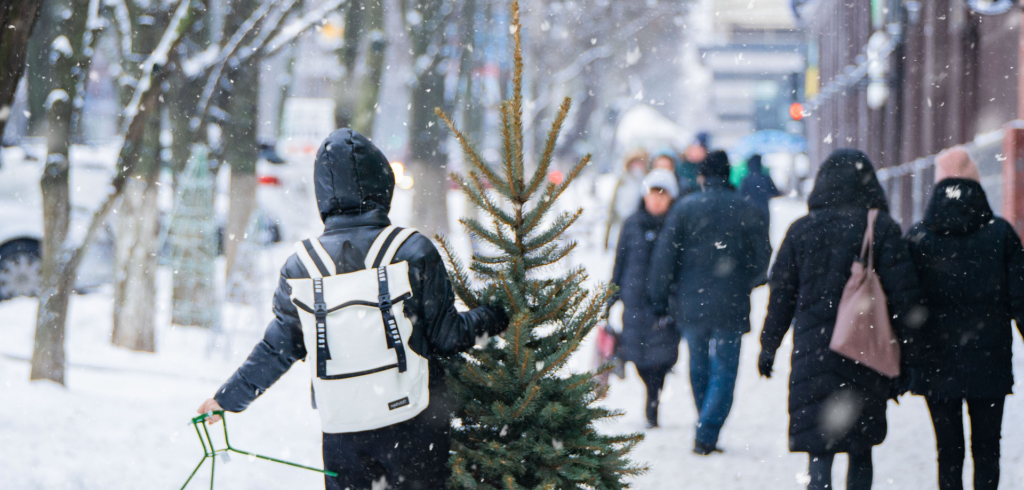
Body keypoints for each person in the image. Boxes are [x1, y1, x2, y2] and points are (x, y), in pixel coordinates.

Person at [196, 128, 509, 490]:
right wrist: (500, 313)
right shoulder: (411, 250)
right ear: (382, 185)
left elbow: (277, 349)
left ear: (323, 194)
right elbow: (449, 336)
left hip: (343, 430)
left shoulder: (302, 267)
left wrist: (226, 400)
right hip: (414, 423)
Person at [758, 148, 921, 490]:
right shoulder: (882, 229)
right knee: (861, 449)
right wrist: (910, 357)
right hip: (866, 352)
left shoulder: (800, 231)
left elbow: (781, 296)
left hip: (813, 357)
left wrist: (768, 345)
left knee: (819, 450)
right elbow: (905, 299)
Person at [906, 147, 1024, 490]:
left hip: (937, 361)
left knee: (948, 450)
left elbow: (904, 298)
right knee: (988, 449)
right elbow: (1021, 298)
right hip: (990, 360)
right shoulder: (1001, 234)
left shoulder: (919, 237)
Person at [648, 150, 771, 455]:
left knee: (699, 365)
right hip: (731, 302)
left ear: (702, 176)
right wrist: (745, 282)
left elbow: (665, 258)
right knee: (725, 369)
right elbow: (762, 259)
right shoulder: (747, 209)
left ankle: (705, 423)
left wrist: (660, 298)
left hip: (691, 303)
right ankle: (708, 428)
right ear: (728, 175)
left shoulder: (684, 209)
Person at [609, 168, 682, 429]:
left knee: (662, 359)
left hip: (664, 304)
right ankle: (651, 395)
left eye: (663, 195)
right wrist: (611, 296)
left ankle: (653, 402)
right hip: (635, 301)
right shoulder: (632, 223)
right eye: (653, 194)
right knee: (638, 357)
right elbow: (620, 262)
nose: (657, 200)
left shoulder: (677, 224)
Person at [605, 148, 649, 250]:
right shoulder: (623, 180)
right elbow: (613, 205)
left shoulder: (646, 182)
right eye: (635, 163)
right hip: (620, 223)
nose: (637, 167)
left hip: (637, 225)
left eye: (640, 163)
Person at [739, 154, 781, 221]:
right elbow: (776, 193)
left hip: (749, 211)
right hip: (764, 211)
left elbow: (741, 195)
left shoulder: (745, 179)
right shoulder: (766, 178)